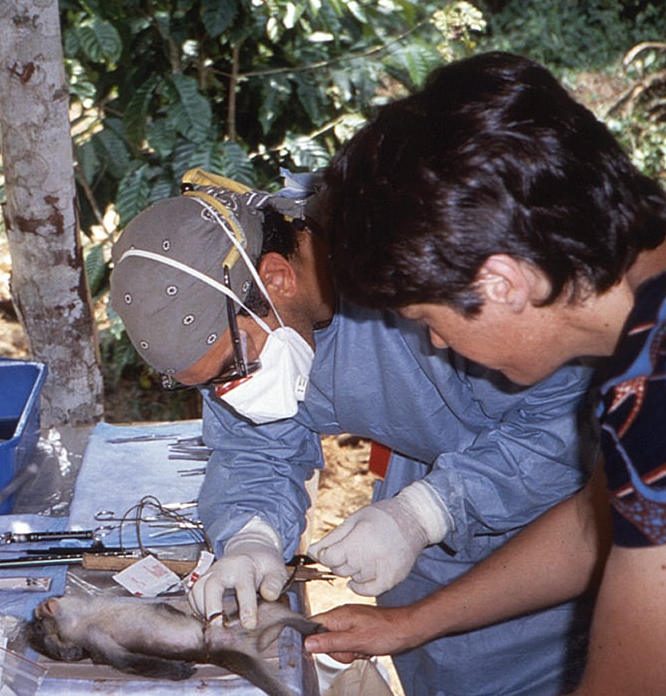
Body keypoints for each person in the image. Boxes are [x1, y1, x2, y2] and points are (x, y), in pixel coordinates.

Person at [310, 50, 666, 695]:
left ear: (501, 283)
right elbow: (590, 523)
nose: (432, 340)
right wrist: (411, 624)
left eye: (426, 316)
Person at [108, 168, 597, 695]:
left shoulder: (408, 258)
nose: (233, 392)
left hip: (578, 526)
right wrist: (252, 536)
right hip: (435, 531)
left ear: (277, 278)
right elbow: (253, 447)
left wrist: (429, 511)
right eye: (208, 385)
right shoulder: (248, 325)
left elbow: (564, 423)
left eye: (231, 367)